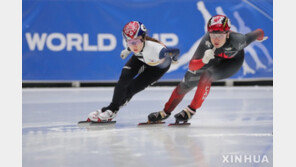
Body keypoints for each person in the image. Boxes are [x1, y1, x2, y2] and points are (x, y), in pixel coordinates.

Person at [148, 15, 268, 123]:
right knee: (186, 82)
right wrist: (203, 60)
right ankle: (165, 112)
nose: (216, 39)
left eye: (220, 35)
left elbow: (258, 32)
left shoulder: (238, 40)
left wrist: (260, 37)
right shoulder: (207, 41)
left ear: (227, 34)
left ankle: (191, 110)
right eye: (213, 35)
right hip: (211, 58)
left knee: (207, 76)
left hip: (232, 62)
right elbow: (191, 66)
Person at [87, 21, 180, 122]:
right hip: (140, 59)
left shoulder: (158, 50)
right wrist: (127, 50)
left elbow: (176, 51)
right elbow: (133, 43)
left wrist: (174, 59)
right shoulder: (135, 45)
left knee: (131, 88)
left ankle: (112, 108)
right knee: (123, 78)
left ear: (144, 38)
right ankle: (111, 109)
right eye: (129, 42)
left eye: (135, 42)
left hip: (156, 68)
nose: (133, 46)